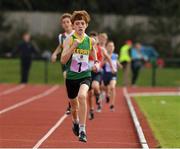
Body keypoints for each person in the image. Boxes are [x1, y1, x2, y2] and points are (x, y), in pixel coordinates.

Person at [61, 10, 99, 142]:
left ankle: (82, 130)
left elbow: (94, 53)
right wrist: (73, 47)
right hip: (71, 77)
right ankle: (75, 122)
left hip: (85, 75)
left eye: (82, 23)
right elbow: (63, 61)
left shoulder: (90, 41)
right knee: (74, 106)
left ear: (86, 25)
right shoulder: (69, 40)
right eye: (77, 23)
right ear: (73, 26)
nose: (80, 26)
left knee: (83, 96)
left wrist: (96, 63)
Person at [88, 31, 115, 120]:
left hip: (97, 72)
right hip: (88, 73)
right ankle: (91, 110)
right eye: (90, 39)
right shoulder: (86, 49)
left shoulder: (101, 49)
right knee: (90, 93)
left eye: (94, 39)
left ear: (97, 40)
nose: (92, 40)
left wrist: (112, 68)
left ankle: (99, 96)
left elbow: (109, 58)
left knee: (95, 86)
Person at [51, 13, 74, 115]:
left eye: (67, 22)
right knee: (67, 80)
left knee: (75, 84)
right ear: (62, 25)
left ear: (71, 23)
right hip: (65, 62)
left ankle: (73, 101)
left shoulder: (77, 34)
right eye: (64, 22)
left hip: (76, 62)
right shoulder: (61, 36)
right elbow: (60, 46)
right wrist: (55, 54)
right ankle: (70, 102)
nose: (66, 24)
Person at [103, 41, 122, 111]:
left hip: (113, 74)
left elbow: (117, 63)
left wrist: (119, 65)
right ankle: (107, 94)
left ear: (114, 48)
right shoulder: (104, 55)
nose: (111, 48)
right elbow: (102, 64)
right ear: (107, 47)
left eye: (112, 46)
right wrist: (107, 58)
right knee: (105, 88)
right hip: (105, 74)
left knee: (112, 87)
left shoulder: (115, 55)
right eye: (109, 46)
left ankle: (112, 105)